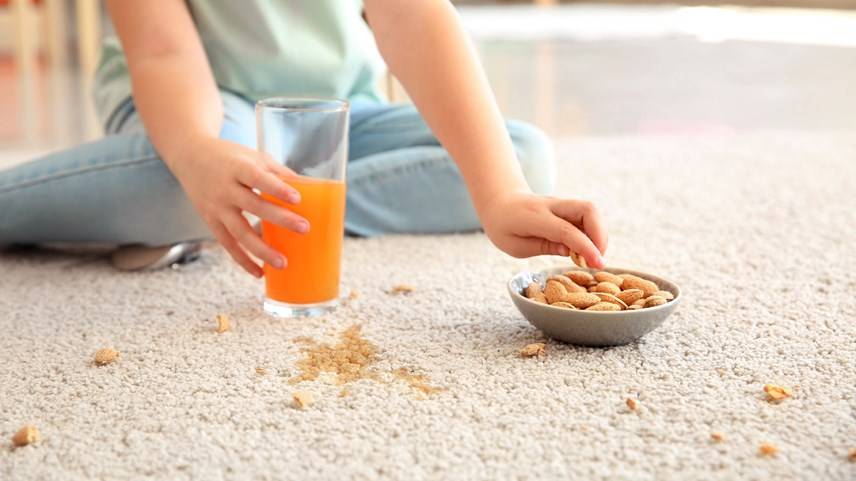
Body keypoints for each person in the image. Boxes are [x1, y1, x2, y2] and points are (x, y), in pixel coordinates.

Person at [0, 0, 607, 276]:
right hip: (203, 102)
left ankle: (280, 208)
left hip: (339, 107)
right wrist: (193, 154)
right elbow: (162, 51)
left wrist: (499, 193)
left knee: (520, 157)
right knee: (198, 187)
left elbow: (412, 14)